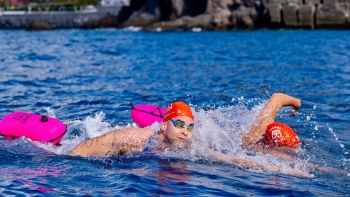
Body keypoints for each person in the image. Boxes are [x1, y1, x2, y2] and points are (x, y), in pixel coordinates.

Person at [69, 93, 308, 176]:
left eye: (189, 126)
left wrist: (284, 171)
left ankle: (281, 100)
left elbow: (233, 159)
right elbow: (92, 146)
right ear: (163, 125)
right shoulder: (134, 138)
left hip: (237, 141)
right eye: (180, 124)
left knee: (248, 141)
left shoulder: (191, 147)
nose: (185, 131)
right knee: (252, 136)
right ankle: (278, 99)